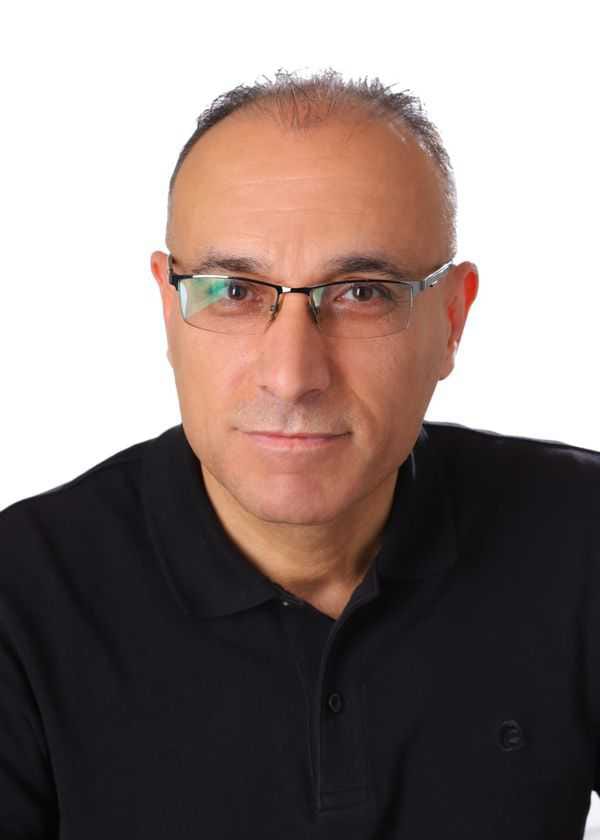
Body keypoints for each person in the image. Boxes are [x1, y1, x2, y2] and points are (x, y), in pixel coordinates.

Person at [1, 69, 599, 839]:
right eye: (233, 291)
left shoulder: (581, 536)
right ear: (168, 309)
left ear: (452, 320)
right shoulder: (20, 600)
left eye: (362, 292)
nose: (292, 375)